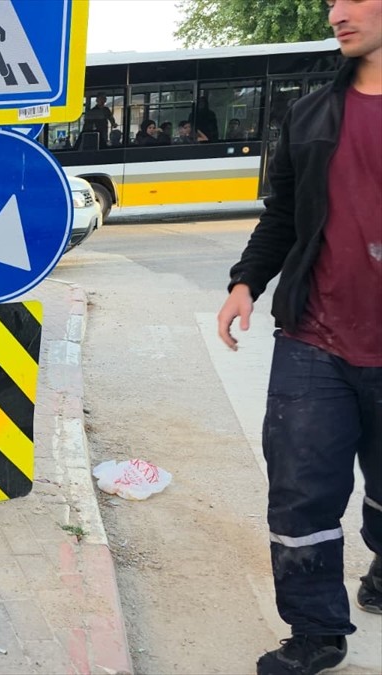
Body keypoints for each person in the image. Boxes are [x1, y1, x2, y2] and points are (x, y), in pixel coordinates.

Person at [217, 0, 381, 672]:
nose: (337, 12)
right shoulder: (311, 114)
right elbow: (282, 213)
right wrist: (245, 282)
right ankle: (316, 631)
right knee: (300, 491)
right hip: (315, 337)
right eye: (330, 1)